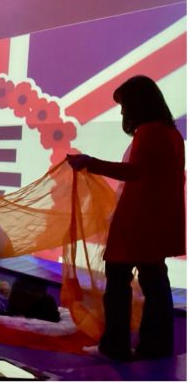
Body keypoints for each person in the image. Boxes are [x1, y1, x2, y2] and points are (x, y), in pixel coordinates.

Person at [67, 75, 185, 360]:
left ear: (137, 104)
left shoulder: (149, 132)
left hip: (138, 219)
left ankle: (115, 345)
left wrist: (89, 163)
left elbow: (135, 172)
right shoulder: (171, 133)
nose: (122, 113)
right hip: (158, 220)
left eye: (124, 106)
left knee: (118, 282)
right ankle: (156, 346)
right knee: (155, 282)